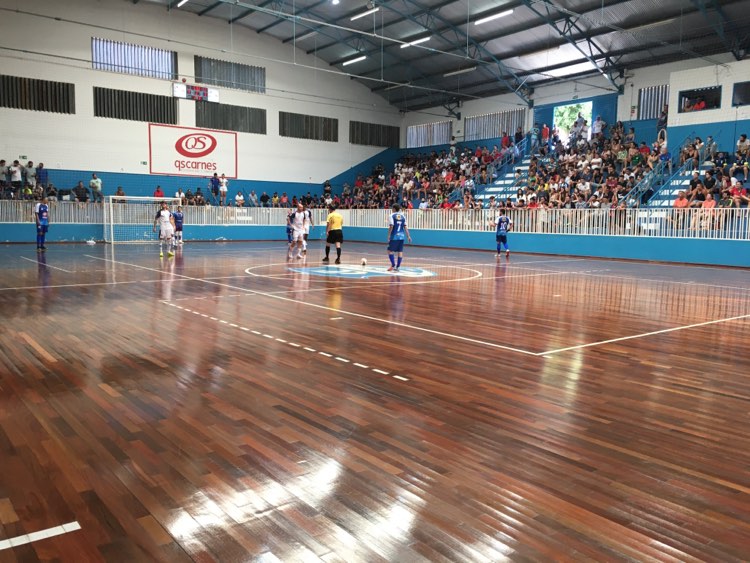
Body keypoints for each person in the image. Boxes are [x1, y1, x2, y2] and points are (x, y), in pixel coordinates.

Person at [386, 203, 412, 272]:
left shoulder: (391, 215)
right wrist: (408, 236)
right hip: (402, 236)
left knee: (389, 250)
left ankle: (393, 264)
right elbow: (405, 226)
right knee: (400, 251)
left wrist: (388, 235)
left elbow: (391, 226)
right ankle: (398, 267)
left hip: (394, 236)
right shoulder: (403, 216)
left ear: (394, 209)